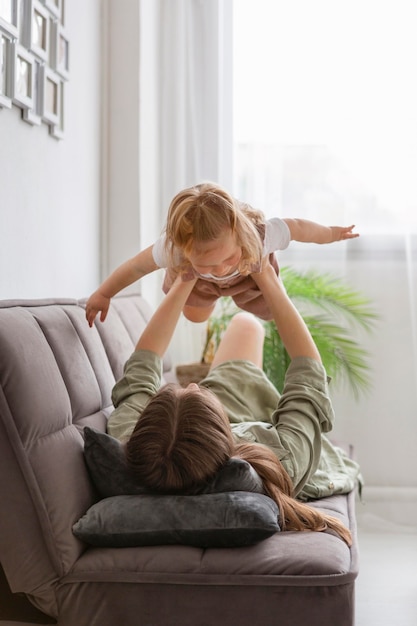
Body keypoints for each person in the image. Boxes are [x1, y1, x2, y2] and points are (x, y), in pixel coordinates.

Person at [107, 261, 362, 546]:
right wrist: (267, 279)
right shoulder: (282, 458)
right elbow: (307, 374)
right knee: (247, 323)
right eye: (194, 392)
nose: (192, 383)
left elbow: (142, 365)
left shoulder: (128, 439)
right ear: (219, 426)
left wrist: (186, 277)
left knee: (244, 323)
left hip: (210, 428)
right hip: (253, 428)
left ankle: (232, 300)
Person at [86, 181, 359, 326]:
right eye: (209, 262)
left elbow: (300, 229)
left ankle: (241, 271)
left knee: (272, 312)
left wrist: (332, 234)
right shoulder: (176, 249)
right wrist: (104, 293)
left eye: (227, 258)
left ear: (238, 232)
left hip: (248, 276)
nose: (220, 269)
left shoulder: (261, 234)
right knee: (195, 316)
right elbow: (136, 267)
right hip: (197, 280)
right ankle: (197, 280)